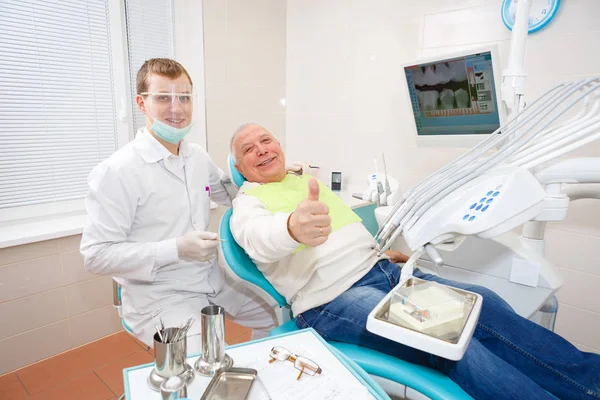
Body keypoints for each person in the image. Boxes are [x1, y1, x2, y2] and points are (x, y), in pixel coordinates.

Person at [229, 123, 600, 400]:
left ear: (279, 145)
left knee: (485, 305)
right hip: (330, 300)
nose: (261, 150)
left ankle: (589, 382)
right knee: (450, 340)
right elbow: (261, 240)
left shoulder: (304, 181)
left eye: (266, 140)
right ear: (241, 167)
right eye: (249, 149)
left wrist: (380, 255)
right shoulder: (247, 204)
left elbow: (343, 237)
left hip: (383, 273)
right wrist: (293, 228)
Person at [80, 59, 277, 353]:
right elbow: (96, 256)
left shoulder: (195, 156)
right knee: (208, 364)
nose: (177, 108)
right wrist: (177, 248)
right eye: (163, 97)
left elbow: (230, 192)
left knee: (278, 316)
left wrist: (277, 179)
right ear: (141, 103)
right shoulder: (117, 172)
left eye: (184, 97)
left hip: (213, 280)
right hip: (161, 295)